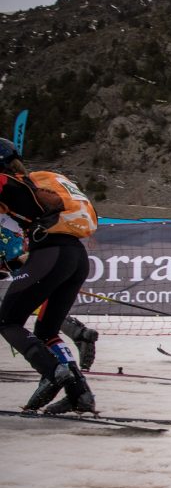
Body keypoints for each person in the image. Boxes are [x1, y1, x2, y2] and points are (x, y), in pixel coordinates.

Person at [0, 137, 98, 413]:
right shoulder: (47, 177)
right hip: (76, 255)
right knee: (45, 331)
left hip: (50, 253)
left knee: (8, 321)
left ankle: (53, 372)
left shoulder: (12, 185)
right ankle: (80, 394)